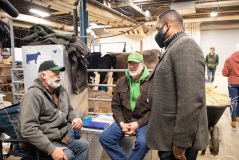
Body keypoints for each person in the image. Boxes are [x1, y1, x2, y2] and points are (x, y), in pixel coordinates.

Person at [146, 9, 208, 160]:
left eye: (157, 28)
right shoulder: (172, 47)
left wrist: (181, 141)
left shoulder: (186, 46)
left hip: (176, 140)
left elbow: (191, 99)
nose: (157, 33)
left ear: (167, 25)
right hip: (168, 135)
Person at [18, 60, 89, 160]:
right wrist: (51, 149)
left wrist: (76, 117)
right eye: (54, 73)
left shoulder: (62, 90)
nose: (58, 75)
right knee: (67, 155)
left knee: (83, 145)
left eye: (59, 73)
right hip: (46, 139)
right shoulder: (33, 95)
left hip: (63, 136)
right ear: (43, 75)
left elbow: (69, 109)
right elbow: (28, 129)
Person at [99, 52, 151, 160]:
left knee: (144, 142)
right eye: (130, 63)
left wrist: (137, 124)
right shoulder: (121, 82)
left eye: (136, 63)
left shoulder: (152, 82)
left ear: (142, 64)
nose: (132, 66)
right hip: (125, 119)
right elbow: (115, 106)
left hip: (143, 122)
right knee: (105, 138)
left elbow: (154, 110)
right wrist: (122, 123)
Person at [222, 43, 239, 128]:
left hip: (232, 83)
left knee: (233, 101)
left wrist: (231, 74)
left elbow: (225, 73)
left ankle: (233, 121)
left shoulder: (229, 59)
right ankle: (238, 116)